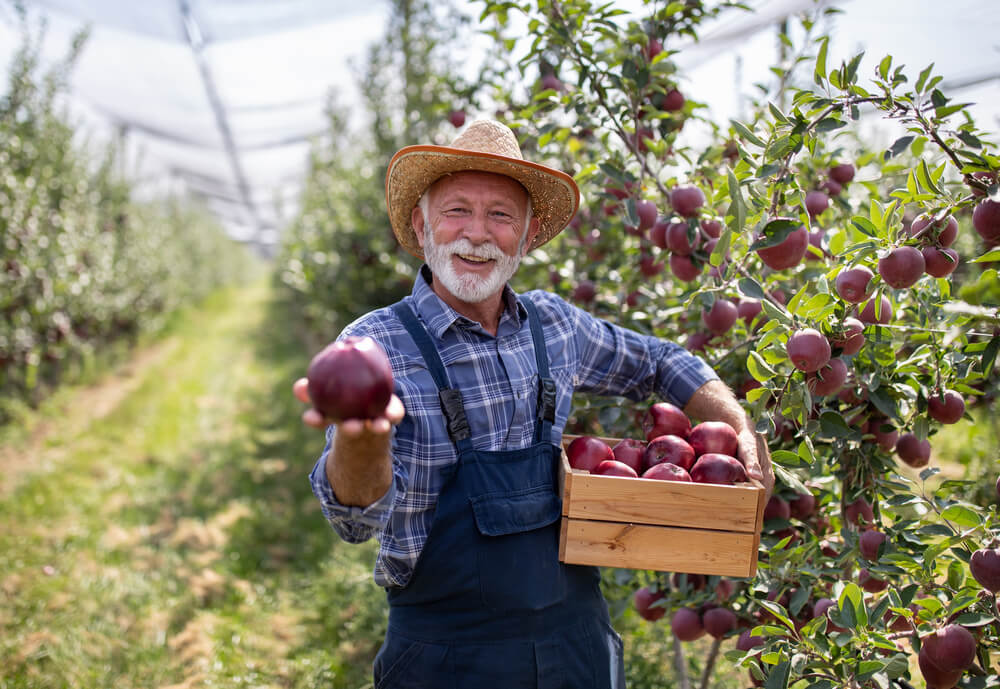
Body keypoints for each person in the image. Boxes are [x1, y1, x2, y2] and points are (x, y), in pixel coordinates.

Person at [293, 119, 774, 688]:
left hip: (575, 645)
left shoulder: (556, 327)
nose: (477, 233)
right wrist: (361, 437)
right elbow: (351, 520)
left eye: (501, 215)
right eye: (456, 211)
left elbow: (660, 361)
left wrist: (734, 423)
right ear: (422, 225)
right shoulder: (374, 349)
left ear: (528, 234)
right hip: (445, 656)